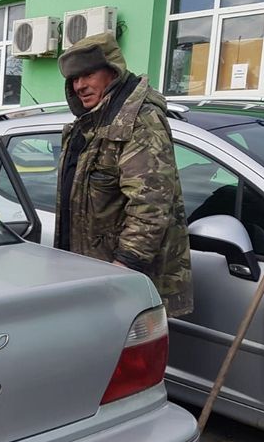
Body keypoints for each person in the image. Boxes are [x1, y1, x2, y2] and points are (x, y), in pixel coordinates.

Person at [55, 32, 193, 317]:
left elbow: (150, 205)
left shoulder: (140, 122)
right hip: (90, 273)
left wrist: (124, 266)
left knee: (123, 359)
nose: (80, 85)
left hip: (121, 282)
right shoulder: (88, 124)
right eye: (74, 79)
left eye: (88, 74)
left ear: (113, 72)